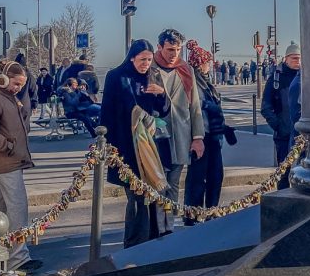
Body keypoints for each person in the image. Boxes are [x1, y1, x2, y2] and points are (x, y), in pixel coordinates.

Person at [100, 39, 172, 247]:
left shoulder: (154, 75)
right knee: (137, 197)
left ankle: (155, 238)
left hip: (151, 145)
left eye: (149, 60)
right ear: (132, 57)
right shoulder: (116, 76)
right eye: (142, 60)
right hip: (126, 145)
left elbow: (164, 110)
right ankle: (135, 243)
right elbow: (107, 112)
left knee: (156, 194)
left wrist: (161, 94)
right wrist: (107, 145)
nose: (146, 64)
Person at [153, 29, 204, 233]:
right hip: (157, 136)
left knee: (173, 183)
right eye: (170, 49)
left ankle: (169, 226)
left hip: (181, 135)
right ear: (160, 47)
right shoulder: (150, 67)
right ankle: (157, 225)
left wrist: (198, 137)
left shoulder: (186, 69)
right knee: (158, 183)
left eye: (178, 49)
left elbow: (195, 106)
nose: (174, 54)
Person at [183, 41, 236, 223]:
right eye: (207, 62)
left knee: (215, 176)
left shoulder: (206, 82)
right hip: (202, 136)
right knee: (198, 179)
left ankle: (211, 212)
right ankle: (193, 215)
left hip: (213, 137)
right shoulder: (193, 82)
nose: (210, 65)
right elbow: (196, 108)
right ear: (199, 63)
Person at [0, 59, 33, 233]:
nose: (18, 88)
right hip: (6, 161)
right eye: (16, 83)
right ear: (4, 78)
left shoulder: (8, 97)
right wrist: (7, 146)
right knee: (18, 207)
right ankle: (18, 257)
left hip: (11, 159)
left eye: (21, 85)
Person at [261, 42, 301, 188]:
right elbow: (265, 107)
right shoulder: (276, 79)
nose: (298, 62)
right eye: (295, 59)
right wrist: (278, 126)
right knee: (283, 174)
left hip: (302, 135)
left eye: (300, 59)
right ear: (286, 59)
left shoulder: (304, 77)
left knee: (303, 174)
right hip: (284, 136)